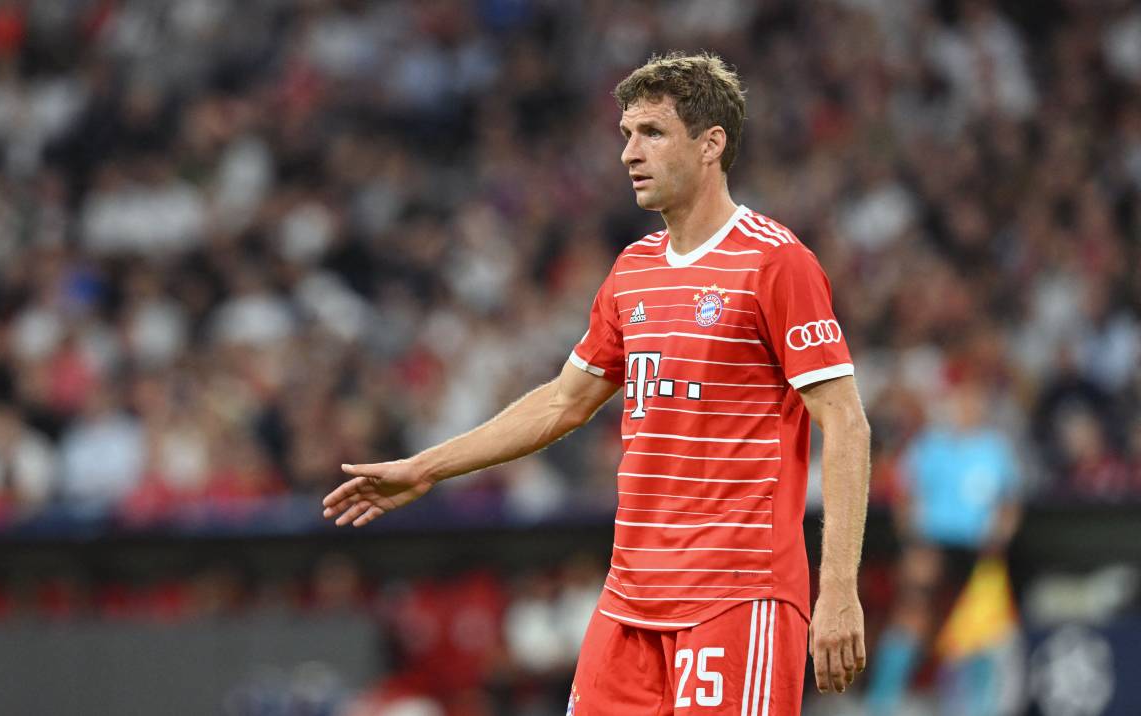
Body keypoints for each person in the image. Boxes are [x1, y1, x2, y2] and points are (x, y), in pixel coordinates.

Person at [323, 51, 870, 715]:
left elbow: (844, 420)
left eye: (652, 133)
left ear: (710, 144)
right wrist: (426, 467)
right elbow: (563, 401)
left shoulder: (776, 262)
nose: (628, 153)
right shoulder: (632, 269)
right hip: (629, 604)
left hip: (735, 596)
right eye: (625, 135)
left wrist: (838, 585)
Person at [865, 376, 1022, 715]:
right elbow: (905, 497)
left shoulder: (995, 449)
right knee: (912, 619)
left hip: (978, 551)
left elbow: (1009, 504)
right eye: (960, 403)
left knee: (980, 630)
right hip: (932, 546)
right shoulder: (929, 447)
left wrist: (999, 538)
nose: (966, 409)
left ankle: (979, 709)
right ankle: (881, 704)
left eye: (972, 402)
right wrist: (914, 541)